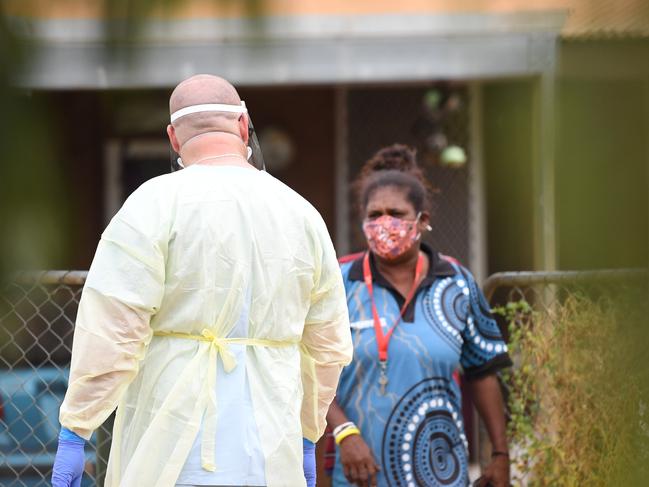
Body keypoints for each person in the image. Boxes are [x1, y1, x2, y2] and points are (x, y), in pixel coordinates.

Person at [51, 74, 353, 487]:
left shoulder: (152, 204)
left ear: (174, 138)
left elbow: (111, 328)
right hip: (272, 446)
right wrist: (306, 432)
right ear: (244, 125)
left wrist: (77, 428)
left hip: (174, 444)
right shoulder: (301, 213)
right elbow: (327, 344)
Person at [326, 144, 512, 487]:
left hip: (442, 473)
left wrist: (500, 455)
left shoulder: (456, 283)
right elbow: (308, 367)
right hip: (356, 474)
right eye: (374, 215)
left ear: (422, 220)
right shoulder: (338, 283)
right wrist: (342, 431)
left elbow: (483, 370)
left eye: (395, 213)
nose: (384, 224)